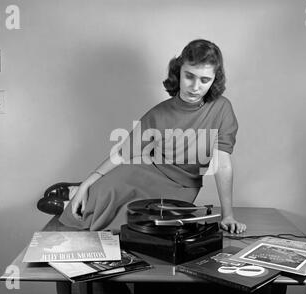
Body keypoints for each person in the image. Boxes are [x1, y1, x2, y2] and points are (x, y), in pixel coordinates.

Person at [58, 39, 246, 234]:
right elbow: (123, 154)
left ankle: (80, 195)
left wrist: (228, 215)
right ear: (179, 72)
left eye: (204, 80)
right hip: (147, 169)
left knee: (140, 222)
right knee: (105, 191)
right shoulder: (158, 113)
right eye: (189, 76)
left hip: (183, 186)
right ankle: (79, 192)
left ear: (215, 79)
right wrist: (89, 181)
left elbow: (222, 165)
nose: (195, 86)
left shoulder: (222, 108)